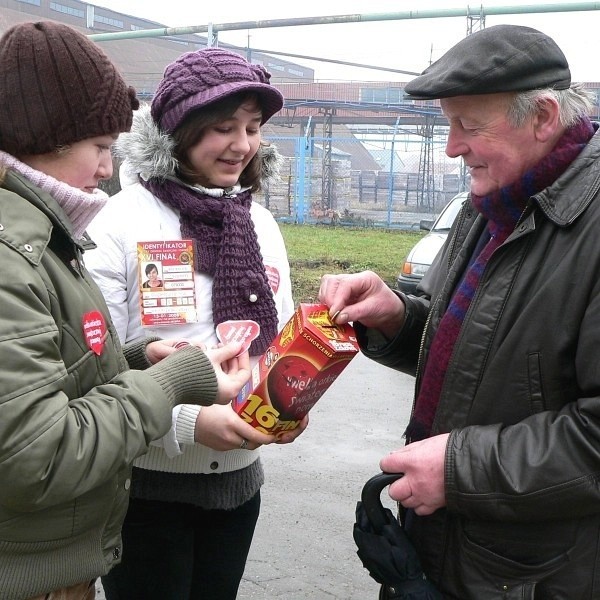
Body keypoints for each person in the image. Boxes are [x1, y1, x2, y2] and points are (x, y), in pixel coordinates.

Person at [319, 24, 600, 599]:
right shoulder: (492, 202)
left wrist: (458, 470)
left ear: (544, 116)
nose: (451, 146)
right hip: (441, 550)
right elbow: (478, 350)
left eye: (468, 124)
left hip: (534, 573)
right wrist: (396, 316)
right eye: (448, 123)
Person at [0, 22, 253, 600]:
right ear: (44, 137)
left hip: (61, 559)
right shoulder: (19, 253)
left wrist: (136, 358)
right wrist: (178, 381)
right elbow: (36, 454)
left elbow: (58, 367)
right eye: (100, 147)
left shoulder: (45, 236)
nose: (108, 169)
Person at [85, 47, 307, 600]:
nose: (242, 144)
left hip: (238, 481)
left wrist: (287, 399)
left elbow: (274, 339)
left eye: (253, 127)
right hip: (145, 486)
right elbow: (96, 365)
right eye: (223, 127)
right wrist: (188, 424)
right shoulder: (122, 220)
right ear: (178, 133)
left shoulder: (258, 221)